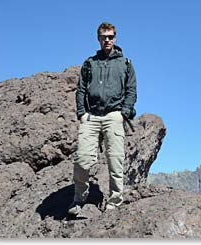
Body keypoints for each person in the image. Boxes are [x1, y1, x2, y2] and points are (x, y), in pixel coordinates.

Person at [68, 22, 137, 215]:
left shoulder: (125, 64)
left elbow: (131, 91)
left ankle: (115, 201)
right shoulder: (90, 63)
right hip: (91, 116)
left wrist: (124, 112)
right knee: (82, 160)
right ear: (98, 38)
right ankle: (79, 198)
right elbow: (81, 89)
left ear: (115, 38)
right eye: (103, 37)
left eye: (111, 36)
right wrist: (82, 113)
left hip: (114, 115)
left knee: (115, 160)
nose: (107, 40)